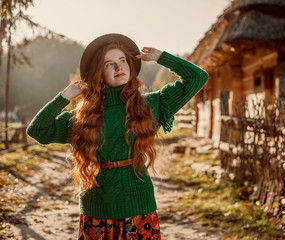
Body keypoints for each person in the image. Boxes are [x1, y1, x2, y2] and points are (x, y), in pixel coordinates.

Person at [26, 33, 208, 239]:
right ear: (99, 74)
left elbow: (198, 77)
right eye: (109, 64)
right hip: (97, 210)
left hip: (138, 207)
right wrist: (63, 97)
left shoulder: (152, 104)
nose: (119, 67)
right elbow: (37, 130)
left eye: (123, 61)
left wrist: (161, 57)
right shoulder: (83, 116)